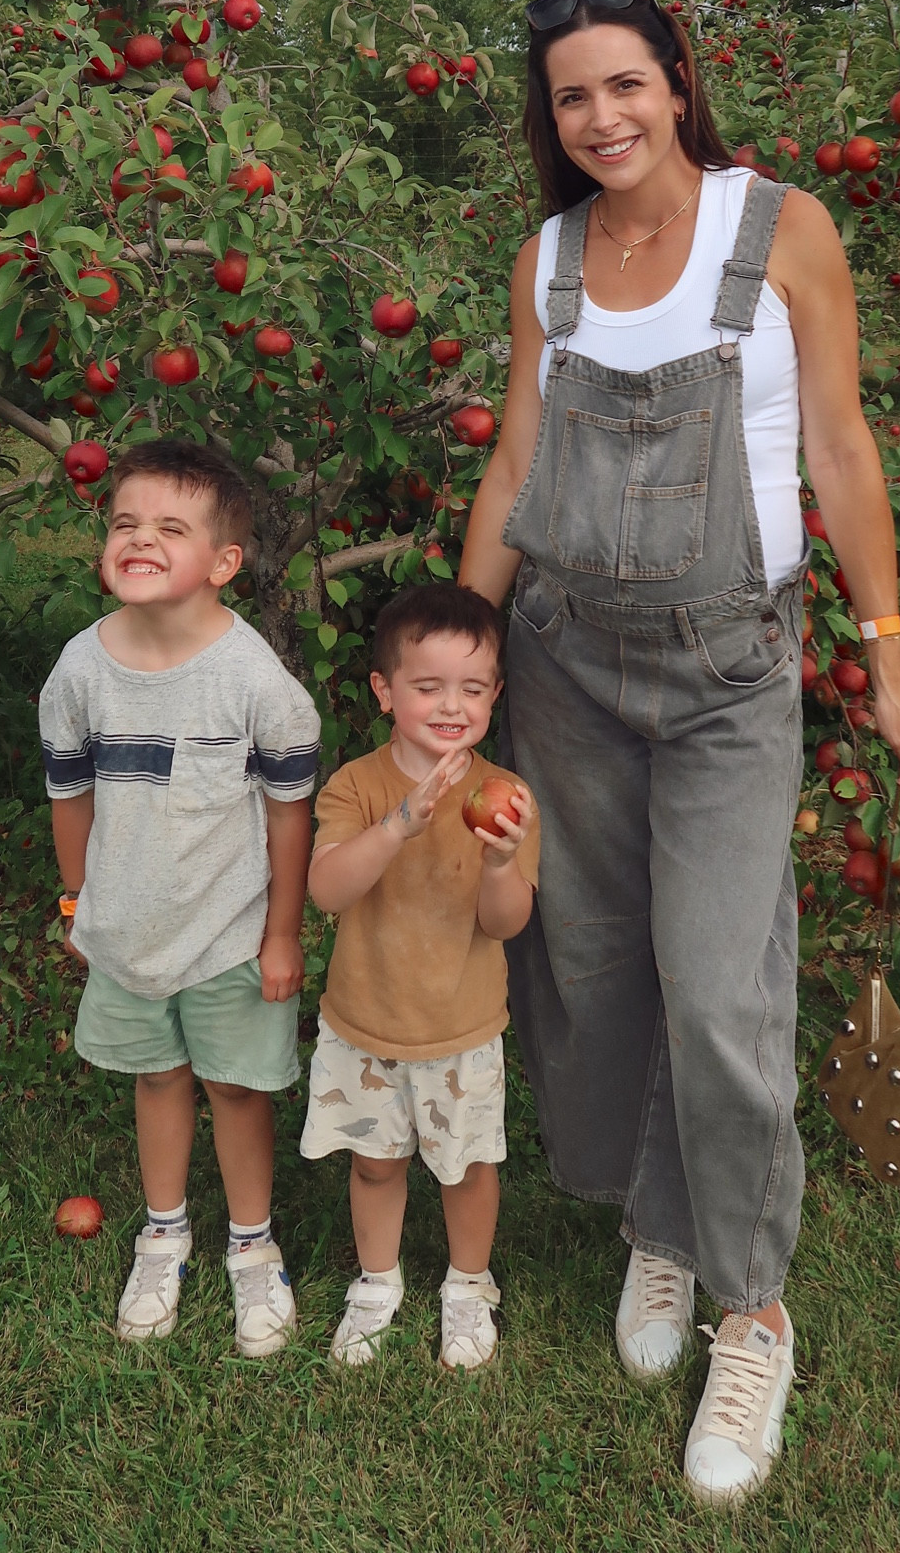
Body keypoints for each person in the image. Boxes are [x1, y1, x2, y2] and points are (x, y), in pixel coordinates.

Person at [459, 0, 900, 1505]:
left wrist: (882, 658)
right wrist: (465, 662)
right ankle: (655, 1229)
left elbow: (839, 448)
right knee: (595, 965)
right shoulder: (546, 259)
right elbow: (515, 461)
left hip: (730, 668)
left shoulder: (778, 229)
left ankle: (752, 1308)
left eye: (624, 84)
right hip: (564, 666)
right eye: (570, 97)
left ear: (676, 81)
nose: (600, 118)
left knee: (721, 986)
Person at [39, 438, 321, 1355]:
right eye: (125, 523)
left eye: (170, 528)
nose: (140, 539)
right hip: (126, 930)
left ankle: (252, 1245)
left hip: (230, 933)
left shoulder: (256, 685)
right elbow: (70, 795)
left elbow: (289, 818)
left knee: (236, 1089)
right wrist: (77, 903)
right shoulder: (79, 672)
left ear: (223, 562)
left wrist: (282, 936)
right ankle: (163, 1233)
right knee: (157, 1077)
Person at [302, 583, 539, 1371]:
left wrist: (500, 862)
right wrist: (399, 823)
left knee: (467, 1167)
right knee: (374, 1164)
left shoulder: (507, 799)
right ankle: (377, 1281)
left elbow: (505, 923)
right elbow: (327, 890)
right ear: (384, 690)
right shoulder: (356, 786)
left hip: (461, 1028)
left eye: (471, 688)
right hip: (364, 1024)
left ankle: (468, 1285)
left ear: (494, 695)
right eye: (428, 686)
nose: (450, 705)